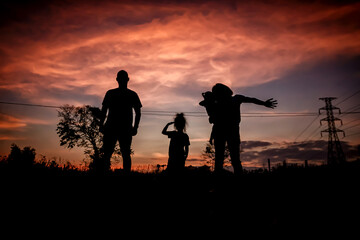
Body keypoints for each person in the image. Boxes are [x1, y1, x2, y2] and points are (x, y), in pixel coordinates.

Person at [200, 83, 277, 175]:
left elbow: (213, 120)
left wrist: (264, 103)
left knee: (225, 159)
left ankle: (226, 181)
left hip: (226, 132)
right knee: (228, 159)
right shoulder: (226, 101)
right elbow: (213, 120)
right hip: (226, 132)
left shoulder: (230, 100)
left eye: (217, 93)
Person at [99, 70, 142, 172]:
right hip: (116, 128)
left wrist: (135, 127)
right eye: (121, 78)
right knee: (116, 153)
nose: (122, 81)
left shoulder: (114, 94)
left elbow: (138, 112)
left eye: (123, 79)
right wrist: (135, 127)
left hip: (120, 128)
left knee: (122, 153)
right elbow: (104, 110)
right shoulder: (129, 94)